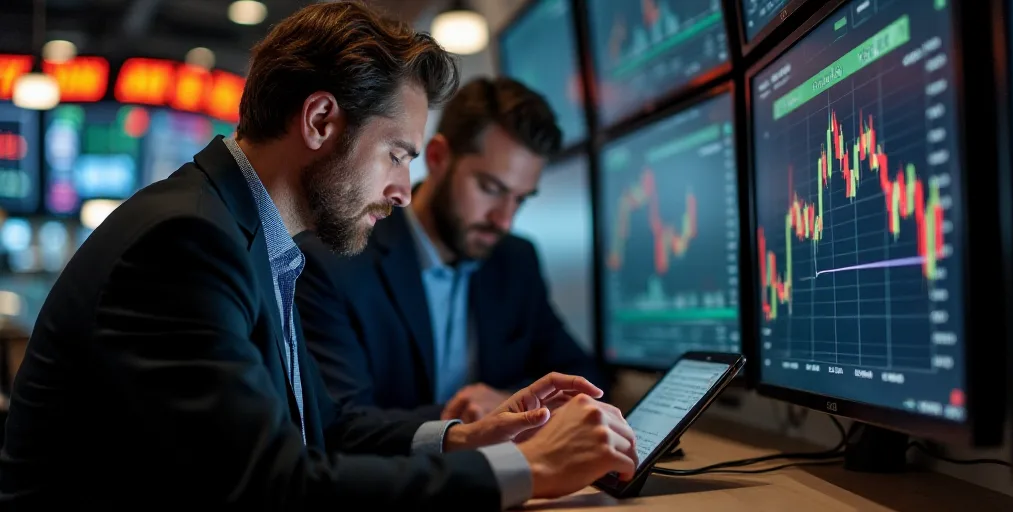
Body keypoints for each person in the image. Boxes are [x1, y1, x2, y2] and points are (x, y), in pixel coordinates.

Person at [0, 2, 637, 508]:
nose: (402, 190)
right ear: (320, 121)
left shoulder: (246, 233)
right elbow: (272, 486)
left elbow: (328, 430)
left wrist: (465, 438)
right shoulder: (187, 243)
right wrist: (530, 468)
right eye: (396, 154)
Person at [295, 77, 607, 423]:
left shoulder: (515, 260)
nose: (503, 220)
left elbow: (586, 378)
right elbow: (343, 425)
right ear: (438, 157)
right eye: (490, 188)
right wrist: (468, 421)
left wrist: (512, 402)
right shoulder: (336, 259)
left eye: (519, 199)